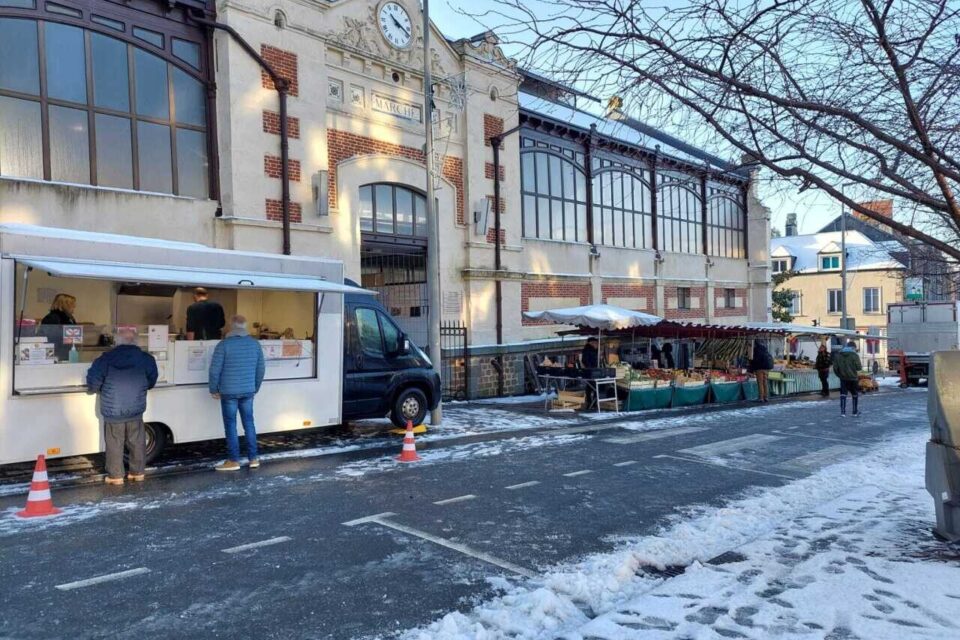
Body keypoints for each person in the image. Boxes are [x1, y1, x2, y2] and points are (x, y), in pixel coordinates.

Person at [86, 327, 158, 485]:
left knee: (114, 442)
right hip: (136, 407)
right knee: (137, 441)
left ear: (117, 341)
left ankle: (116, 476)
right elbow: (151, 381)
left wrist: (97, 389)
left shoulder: (106, 358)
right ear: (136, 341)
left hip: (114, 409)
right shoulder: (146, 358)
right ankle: (137, 473)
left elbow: (93, 382)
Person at [208, 315, 265, 471]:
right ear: (245, 326)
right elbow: (261, 369)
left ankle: (233, 460)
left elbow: (214, 371)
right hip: (248, 391)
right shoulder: (255, 344)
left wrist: (213, 389)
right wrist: (255, 387)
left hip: (228, 392)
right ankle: (253, 458)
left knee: (231, 425)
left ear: (231, 327)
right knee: (249, 423)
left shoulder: (223, 345)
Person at [40, 293, 78, 361]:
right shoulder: (52, 318)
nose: (74, 308)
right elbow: (52, 340)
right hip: (57, 356)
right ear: (66, 305)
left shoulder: (69, 318)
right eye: (73, 305)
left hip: (67, 354)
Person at [833, 340, 863, 417]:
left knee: (843, 394)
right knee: (855, 394)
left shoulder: (838, 355)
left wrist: (840, 375)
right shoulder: (855, 355)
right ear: (853, 347)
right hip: (853, 378)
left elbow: (835, 368)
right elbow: (859, 367)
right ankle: (854, 412)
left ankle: (843, 412)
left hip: (843, 378)